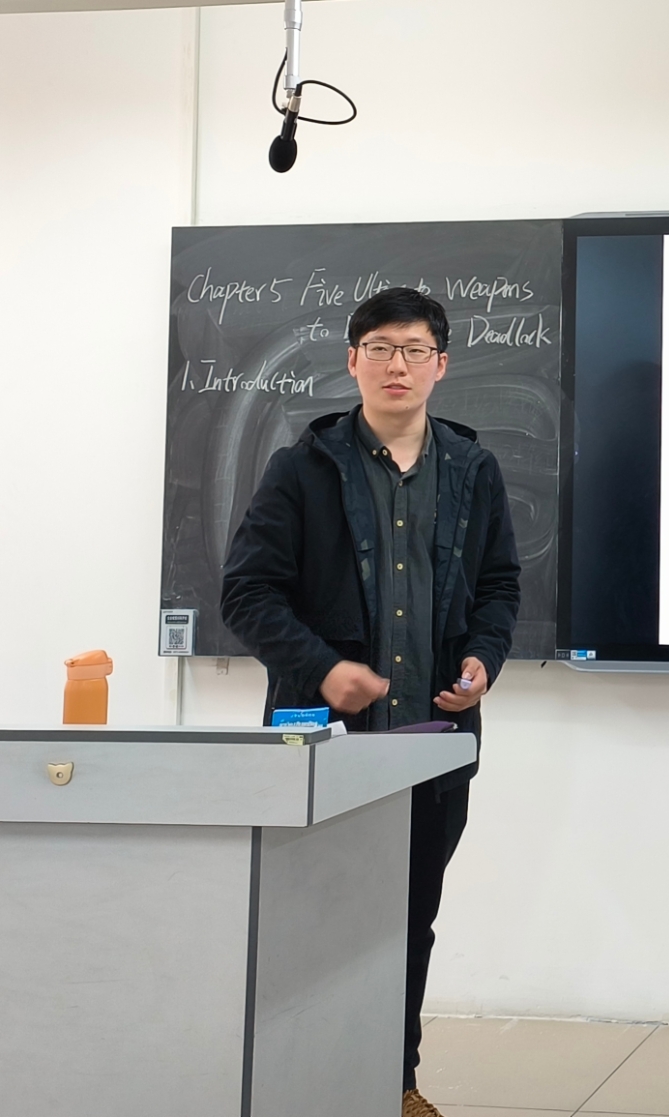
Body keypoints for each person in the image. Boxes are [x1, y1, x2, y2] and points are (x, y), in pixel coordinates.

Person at [221, 286, 521, 1117]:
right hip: (324, 747)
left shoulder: (472, 470)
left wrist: (484, 657)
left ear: (440, 365)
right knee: (308, 924)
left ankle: (394, 1084)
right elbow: (246, 592)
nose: (398, 364)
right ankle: (299, 1087)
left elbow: (500, 586)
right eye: (381, 348)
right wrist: (323, 670)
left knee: (409, 922)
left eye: (415, 349)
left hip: (431, 745)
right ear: (353, 360)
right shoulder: (303, 468)